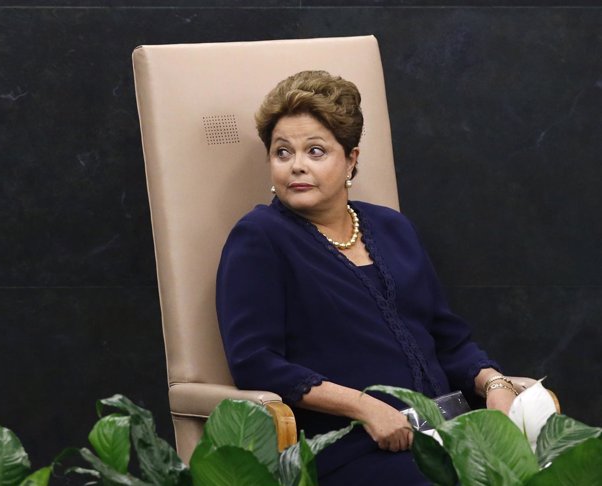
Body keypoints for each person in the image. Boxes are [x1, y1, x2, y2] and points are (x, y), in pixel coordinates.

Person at [216, 70, 523, 485]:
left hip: (448, 434)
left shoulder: (393, 228)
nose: (297, 166)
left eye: (316, 151)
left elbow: (449, 340)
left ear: (351, 160)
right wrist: (366, 408)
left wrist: (495, 383)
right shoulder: (260, 237)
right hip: (353, 447)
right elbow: (256, 363)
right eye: (282, 152)